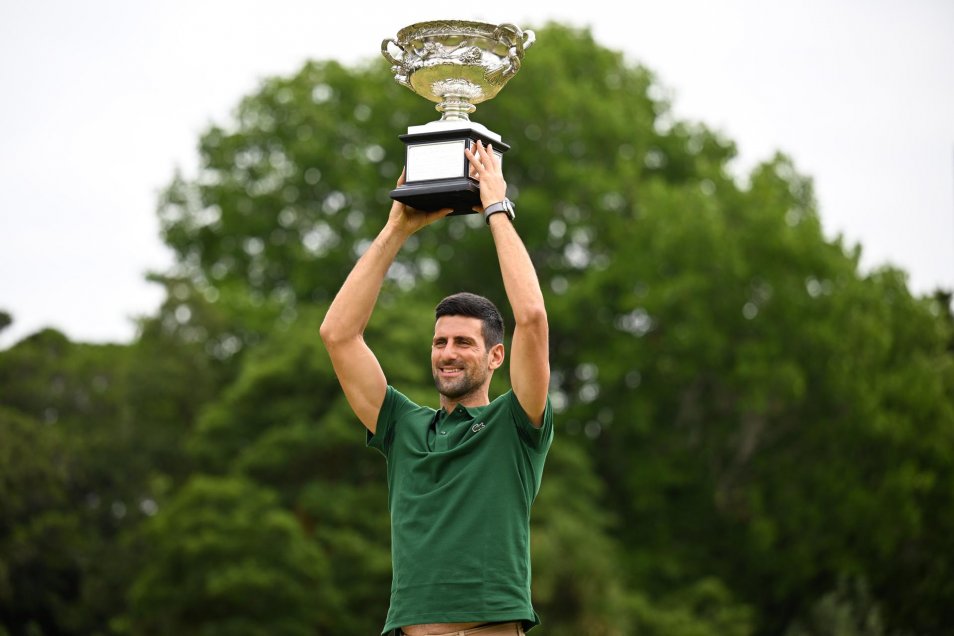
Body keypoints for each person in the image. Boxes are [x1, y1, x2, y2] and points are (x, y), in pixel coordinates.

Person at [320, 140, 553, 636]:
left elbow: (531, 318)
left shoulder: (516, 425)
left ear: (496, 356)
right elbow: (338, 335)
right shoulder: (402, 425)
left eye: (464, 343)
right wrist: (396, 227)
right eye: (441, 341)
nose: (447, 352)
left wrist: (496, 208)